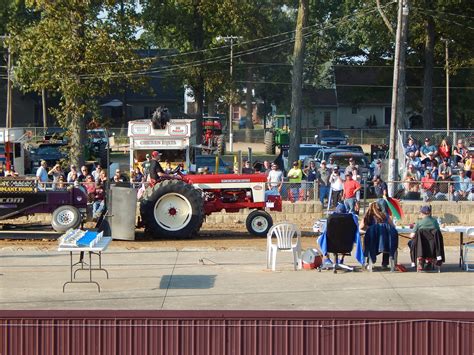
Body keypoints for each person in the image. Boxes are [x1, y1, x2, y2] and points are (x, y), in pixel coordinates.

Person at [359, 201, 397, 269]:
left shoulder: (368, 216)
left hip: (373, 241)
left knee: (370, 242)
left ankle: (369, 262)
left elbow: (361, 227)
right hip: (384, 242)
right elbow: (393, 226)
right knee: (387, 239)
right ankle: (385, 264)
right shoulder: (385, 215)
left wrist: (369, 228)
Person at [408, 205, 442, 270]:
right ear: (429, 213)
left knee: (411, 243)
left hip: (420, 245)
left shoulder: (418, 222)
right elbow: (438, 231)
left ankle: (421, 260)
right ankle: (429, 260)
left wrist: (412, 236)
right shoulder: (434, 221)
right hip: (433, 246)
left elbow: (412, 235)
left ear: (422, 213)